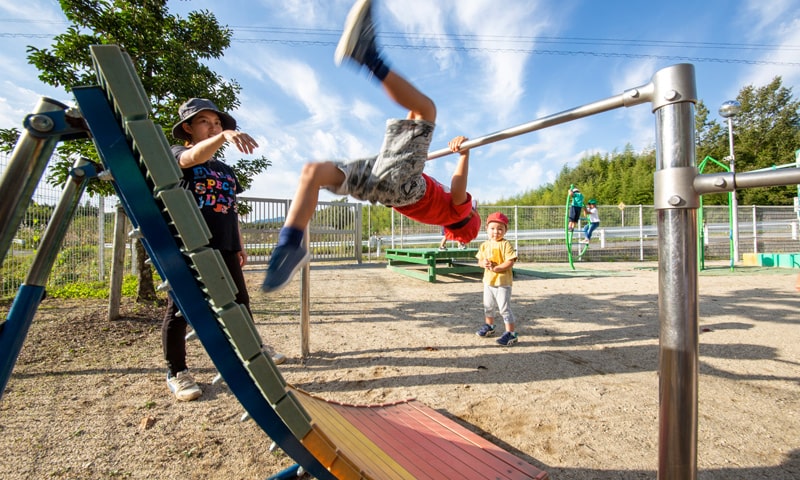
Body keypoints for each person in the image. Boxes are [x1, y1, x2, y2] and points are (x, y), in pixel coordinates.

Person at [261, 0, 480, 293]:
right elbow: (412, 125)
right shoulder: (443, 215)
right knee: (314, 172)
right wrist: (413, 132)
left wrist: (463, 155)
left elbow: (457, 190)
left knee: (426, 108)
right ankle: (289, 246)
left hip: (405, 186)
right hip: (385, 188)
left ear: (469, 216)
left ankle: (369, 56)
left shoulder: (456, 211)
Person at [164, 98, 285, 402]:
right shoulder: (177, 153)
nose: (214, 127)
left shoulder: (226, 170)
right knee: (180, 310)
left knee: (240, 302)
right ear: (188, 127)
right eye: (205, 121)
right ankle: (176, 372)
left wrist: (240, 244)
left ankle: (253, 349)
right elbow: (188, 160)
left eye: (218, 123)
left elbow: (231, 208)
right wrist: (224, 136)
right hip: (190, 247)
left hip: (226, 244)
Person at [475, 212, 519, 346]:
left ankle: (511, 333)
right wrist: (484, 264)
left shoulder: (506, 245)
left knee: (504, 308)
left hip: (502, 283)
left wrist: (498, 268)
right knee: (488, 306)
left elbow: (510, 261)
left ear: (505, 230)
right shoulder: (484, 245)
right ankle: (490, 326)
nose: (496, 232)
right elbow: (480, 260)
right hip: (488, 281)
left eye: (500, 228)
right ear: (487, 229)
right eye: (493, 228)